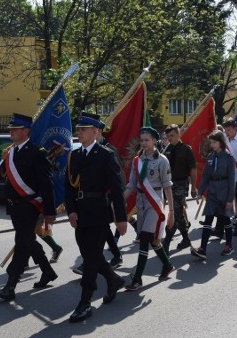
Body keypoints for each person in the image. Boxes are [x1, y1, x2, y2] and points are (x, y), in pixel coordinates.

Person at [0, 113, 57, 302]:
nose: (11, 131)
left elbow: (46, 184)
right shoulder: (10, 153)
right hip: (14, 208)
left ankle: (11, 284)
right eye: (10, 128)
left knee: (21, 244)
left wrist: (50, 211)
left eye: (15, 128)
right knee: (28, 241)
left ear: (26, 131)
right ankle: (48, 271)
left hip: (29, 207)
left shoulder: (37, 153)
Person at [64, 113, 128, 322]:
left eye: (83, 129)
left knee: (90, 258)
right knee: (90, 253)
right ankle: (113, 279)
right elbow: (68, 186)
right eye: (79, 129)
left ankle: (85, 302)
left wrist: (121, 218)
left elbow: (117, 189)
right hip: (80, 212)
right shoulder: (75, 155)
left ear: (96, 131)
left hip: (99, 211)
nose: (79, 132)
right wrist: (71, 210)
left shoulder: (105, 155)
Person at [122, 127, 175, 290]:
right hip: (141, 202)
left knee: (144, 238)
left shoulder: (162, 160)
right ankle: (167, 265)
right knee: (152, 240)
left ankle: (137, 278)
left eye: (147, 139)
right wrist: (119, 202)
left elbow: (167, 187)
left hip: (155, 202)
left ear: (154, 141)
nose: (144, 142)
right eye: (142, 140)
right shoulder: (137, 161)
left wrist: (171, 212)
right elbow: (131, 185)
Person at [191, 131, 236, 259]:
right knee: (208, 220)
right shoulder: (211, 157)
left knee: (226, 219)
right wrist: (200, 192)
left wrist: (229, 199)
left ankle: (229, 245)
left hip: (224, 190)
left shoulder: (228, 158)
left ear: (221, 143)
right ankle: (202, 249)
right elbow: (206, 175)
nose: (212, 145)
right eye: (211, 142)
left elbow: (232, 180)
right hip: (212, 192)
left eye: (214, 142)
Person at [161, 124, 198, 251]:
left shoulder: (186, 149)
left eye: (172, 135)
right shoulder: (166, 149)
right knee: (179, 213)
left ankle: (166, 242)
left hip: (181, 183)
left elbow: (193, 169)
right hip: (169, 185)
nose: (170, 138)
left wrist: (193, 187)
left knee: (175, 213)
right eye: (168, 136)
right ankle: (186, 239)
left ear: (178, 134)